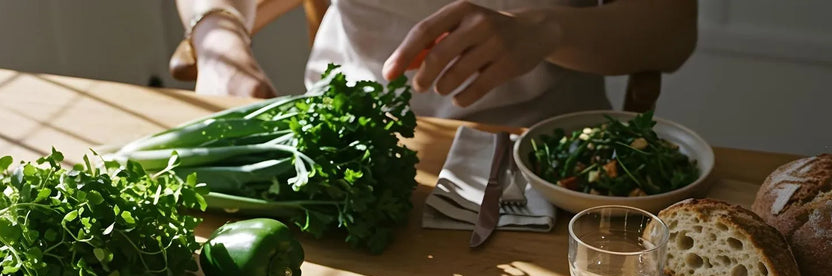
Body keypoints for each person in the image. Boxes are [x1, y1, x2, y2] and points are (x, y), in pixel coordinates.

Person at [173, 0, 697, 126]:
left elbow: (672, 29)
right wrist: (219, 43)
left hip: (540, 150)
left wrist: (547, 29)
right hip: (346, 131)